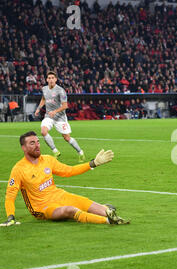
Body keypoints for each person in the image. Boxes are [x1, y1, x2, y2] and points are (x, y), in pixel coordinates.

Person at [1, 131, 129, 227]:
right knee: (70, 210)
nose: (37, 145)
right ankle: (109, 221)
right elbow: (10, 195)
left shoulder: (48, 160)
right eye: (32, 143)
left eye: (38, 142)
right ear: (24, 148)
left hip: (59, 195)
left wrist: (93, 163)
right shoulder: (19, 169)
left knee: (85, 202)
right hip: (43, 208)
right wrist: (10, 216)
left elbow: (69, 171)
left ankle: (106, 210)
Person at [34, 71, 86, 162]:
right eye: (49, 78)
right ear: (46, 79)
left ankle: (80, 152)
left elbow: (65, 106)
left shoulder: (60, 91)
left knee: (67, 138)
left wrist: (55, 111)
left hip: (60, 118)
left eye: (52, 78)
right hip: (49, 116)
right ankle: (55, 151)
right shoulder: (44, 89)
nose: (50, 80)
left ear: (56, 79)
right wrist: (38, 108)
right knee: (43, 131)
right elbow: (43, 99)